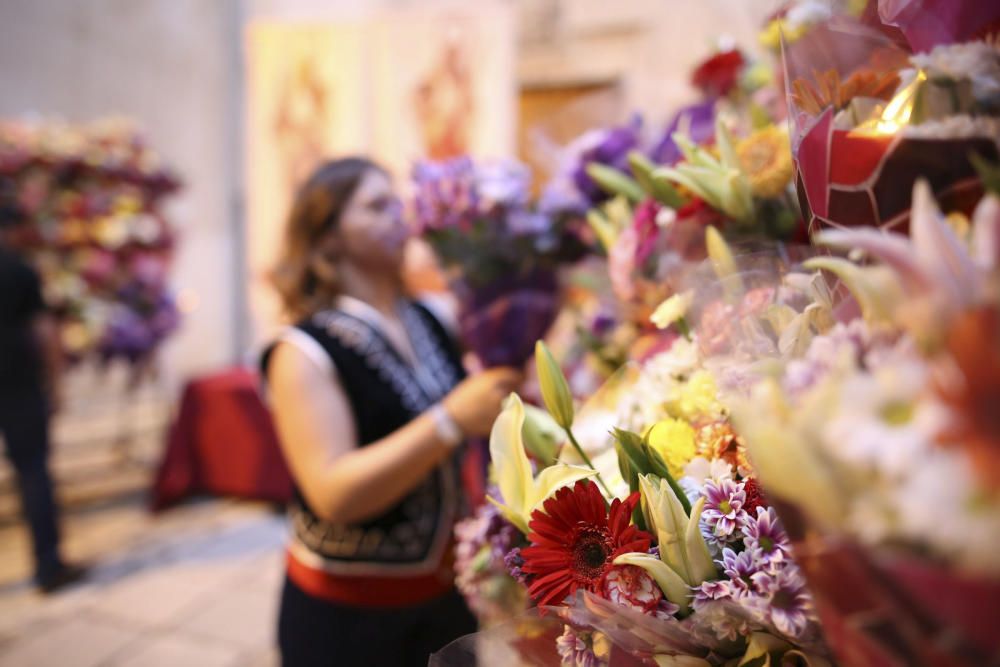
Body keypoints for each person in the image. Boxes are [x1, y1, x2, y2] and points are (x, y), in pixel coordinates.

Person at [262, 157, 521, 666]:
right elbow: (333, 493)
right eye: (376, 205)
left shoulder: (430, 315)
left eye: (398, 201)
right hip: (349, 615)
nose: (399, 214)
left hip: (445, 596)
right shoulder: (302, 350)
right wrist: (449, 419)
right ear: (329, 235)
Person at [0, 196, 85, 593]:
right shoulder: (19, 270)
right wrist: (56, 385)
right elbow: (45, 331)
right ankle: (48, 567)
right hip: (17, 384)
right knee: (34, 472)